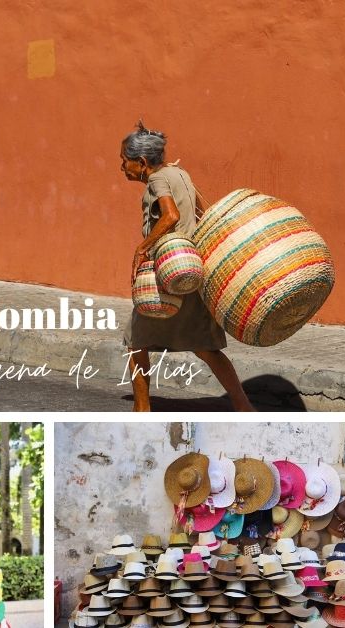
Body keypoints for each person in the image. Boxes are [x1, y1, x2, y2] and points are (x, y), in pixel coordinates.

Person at [119, 121, 255, 412]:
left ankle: (142, 409)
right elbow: (204, 214)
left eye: (125, 161)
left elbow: (169, 215)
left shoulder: (156, 180)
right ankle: (243, 406)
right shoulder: (180, 173)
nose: (122, 167)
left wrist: (142, 248)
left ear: (142, 162)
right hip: (190, 271)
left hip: (167, 272)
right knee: (205, 346)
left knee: (136, 338)